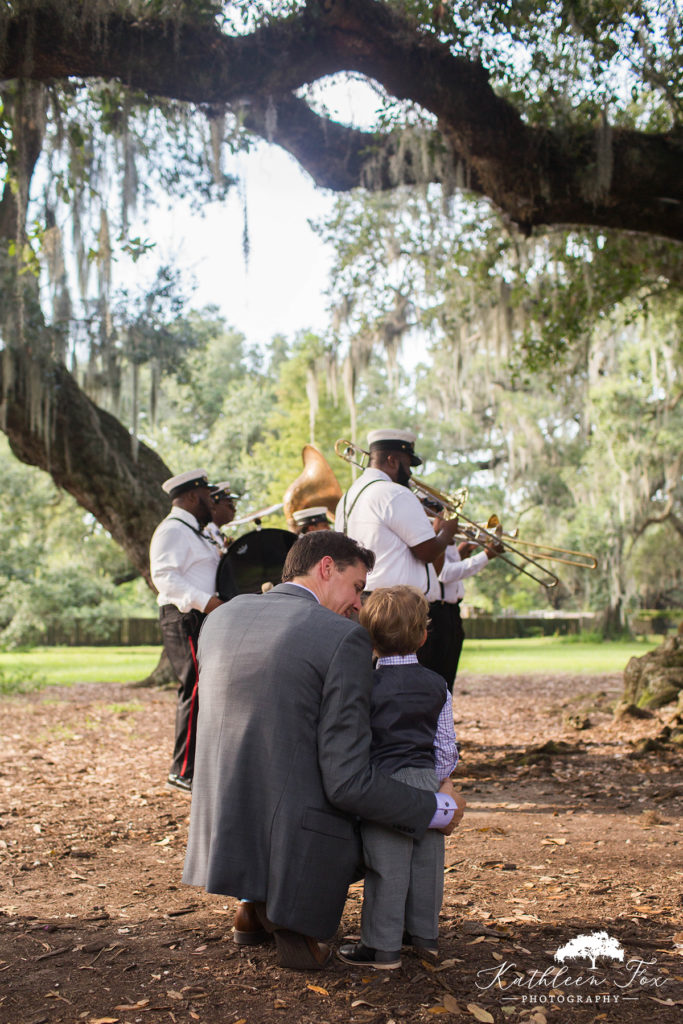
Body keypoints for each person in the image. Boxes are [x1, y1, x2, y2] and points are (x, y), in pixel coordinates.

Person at [182, 531, 466, 971]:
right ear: (327, 567)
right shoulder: (340, 637)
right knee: (375, 817)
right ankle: (290, 917)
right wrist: (436, 809)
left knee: (278, 757)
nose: (358, 604)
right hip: (294, 833)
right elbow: (348, 781)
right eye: (356, 587)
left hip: (221, 824)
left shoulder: (222, 617)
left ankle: (250, 902)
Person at [338, 585, 459, 970]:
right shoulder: (437, 685)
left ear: (368, 637)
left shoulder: (365, 685)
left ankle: (381, 947)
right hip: (427, 785)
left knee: (386, 867)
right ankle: (424, 937)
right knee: (428, 864)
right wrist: (440, 782)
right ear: (423, 636)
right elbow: (446, 746)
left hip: (384, 787)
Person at [149, 469, 224, 793]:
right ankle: (182, 770)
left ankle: (198, 767)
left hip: (199, 616)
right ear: (193, 497)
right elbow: (164, 576)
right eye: (208, 497)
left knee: (204, 690)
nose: (213, 503)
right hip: (185, 617)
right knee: (193, 690)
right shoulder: (173, 530)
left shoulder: (195, 531)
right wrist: (208, 603)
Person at [335, 429, 461, 600]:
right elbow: (428, 552)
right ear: (392, 461)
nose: (410, 473)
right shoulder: (395, 493)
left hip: (362, 598)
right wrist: (447, 531)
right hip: (396, 604)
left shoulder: (347, 496)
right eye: (408, 465)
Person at [420, 511, 502, 691]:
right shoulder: (432, 537)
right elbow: (444, 573)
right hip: (437, 613)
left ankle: (445, 716)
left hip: (451, 612)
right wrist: (485, 555)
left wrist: (463, 550)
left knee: (448, 676)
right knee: (437, 675)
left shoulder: (449, 541)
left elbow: (450, 569)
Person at [205, 480, 240, 554]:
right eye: (230, 505)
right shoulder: (206, 533)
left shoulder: (216, 533)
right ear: (213, 505)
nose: (234, 510)